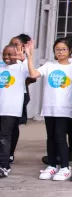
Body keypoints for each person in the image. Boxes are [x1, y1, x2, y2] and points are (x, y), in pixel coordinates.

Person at [25, 38, 72, 181]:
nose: (60, 52)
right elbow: (33, 74)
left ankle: (65, 167)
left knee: (60, 136)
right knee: (51, 137)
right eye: (57, 49)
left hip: (64, 107)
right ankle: (52, 165)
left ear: (70, 51)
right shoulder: (49, 65)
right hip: (49, 107)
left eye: (63, 49)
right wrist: (30, 56)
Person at [0, 44, 29, 178]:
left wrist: (23, 59)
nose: (6, 57)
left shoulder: (21, 67)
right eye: (4, 54)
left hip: (10, 109)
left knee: (4, 138)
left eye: (10, 54)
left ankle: (4, 165)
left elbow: (32, 72)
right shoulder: (1, 66)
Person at [8, 34, 33, 165]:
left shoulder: (24, 61)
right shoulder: (5, 59)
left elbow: (32, 76)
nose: (13, 47)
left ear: (23, 47)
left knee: (12, 126)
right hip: (4, 96)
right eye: (11, 43)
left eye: (16, 44)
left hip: (18, 96)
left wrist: (25, 60)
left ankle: (10, 153)